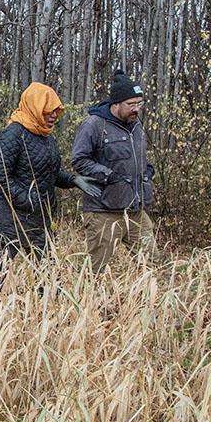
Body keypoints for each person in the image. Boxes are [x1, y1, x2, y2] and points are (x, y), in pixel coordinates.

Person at [0, 82, 100, 292]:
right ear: (35, 106)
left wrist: (73, 180)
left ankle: (51, 322)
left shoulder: (46, 136)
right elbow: (0, 177)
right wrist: (28, 199)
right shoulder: (13, 134)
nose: (54, 116)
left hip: (38, 220)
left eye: (55, 111)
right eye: (49, 110)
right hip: (9, 219)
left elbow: (49, 174)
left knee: (49, 276)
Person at [71, 69, 158, 272]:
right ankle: (91, 302)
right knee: (97, 270)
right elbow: (79, 160)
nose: (136, 109)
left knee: (152, 264)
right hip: (103, 211)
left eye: (139, 104)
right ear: (116, 103)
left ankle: (145, 302)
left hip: (136, 210)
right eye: (131, 104)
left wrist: (148, 173)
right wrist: (109, 176)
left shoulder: (136, 125)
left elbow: (138, 157)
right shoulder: (93, 125)